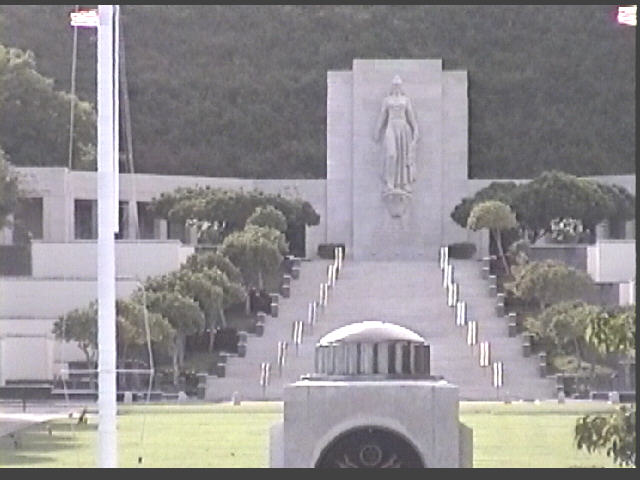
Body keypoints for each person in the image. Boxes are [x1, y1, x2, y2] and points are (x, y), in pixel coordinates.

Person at [373, 75, 419, 194]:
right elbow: (382, 116)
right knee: (391, 154)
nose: (397, 87)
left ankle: (404, 183)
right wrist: (377, 130)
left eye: (398, 85)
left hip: (403, 128)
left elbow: (411, 118)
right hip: (391, 127)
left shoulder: (405, 100)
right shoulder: (387, 100)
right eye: (395, 85)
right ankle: (390, 182)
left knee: (402, 156)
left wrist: (415, 132)